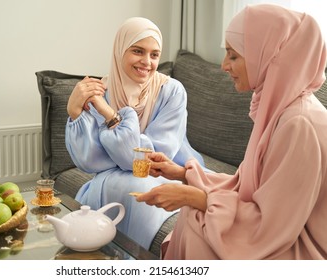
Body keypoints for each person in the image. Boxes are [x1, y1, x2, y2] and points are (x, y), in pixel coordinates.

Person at [136, 4, 327, 259]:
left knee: (197, 222)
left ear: (269, 56)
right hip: (280, 229)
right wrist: (183, 174)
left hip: (297, 245)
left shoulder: (299, 124)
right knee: (196, 216)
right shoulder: (282, 110)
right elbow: (246, 185)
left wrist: (194, 197)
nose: (224, 65)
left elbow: (272, 224)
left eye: (233, 56)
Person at [65, 17, 206, 250]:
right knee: (125, 187)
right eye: (138, 51)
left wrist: (111, 116)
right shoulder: (102, 91)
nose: (147, 62)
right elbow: (89, 160)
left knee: (134, 188)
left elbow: (153, 158)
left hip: (168, 170)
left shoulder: (172, 91)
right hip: (115, 173)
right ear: (120, 50)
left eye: (154, 54)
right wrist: (74, 112)